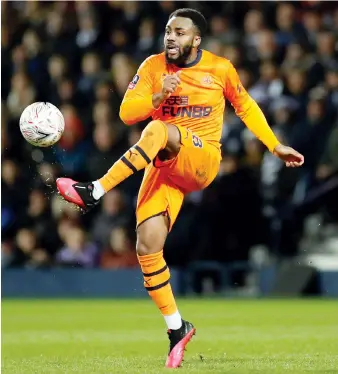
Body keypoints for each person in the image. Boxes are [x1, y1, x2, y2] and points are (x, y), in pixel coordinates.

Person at [56, 8, 304, 368]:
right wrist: (157, 97)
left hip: (202, 159)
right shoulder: (153, 67)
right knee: (147, 245)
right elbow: (127, 112)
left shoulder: (219, 69)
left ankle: (94, 190)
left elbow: (246, 105)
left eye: (180, 32)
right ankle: (177, 328)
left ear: (196, 39)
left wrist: (273, 144)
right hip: (166, 164)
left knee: (157, 130)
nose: (171, 37)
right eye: (168, 31)